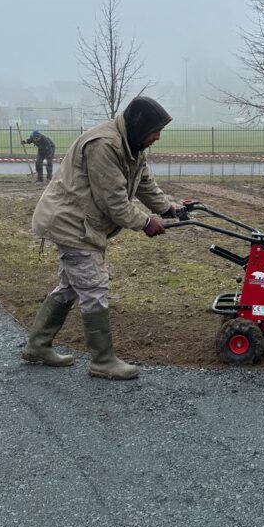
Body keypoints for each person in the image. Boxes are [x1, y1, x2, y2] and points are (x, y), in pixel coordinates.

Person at [23, 96, 183, 380]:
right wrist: (146, 223)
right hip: (71, 222)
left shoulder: (132, 144)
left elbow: (144, 182)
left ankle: (38, 345)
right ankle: (102, 360)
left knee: (70, 287)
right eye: (155, 130)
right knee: (94, 286)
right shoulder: (104, 145)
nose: (158, 137)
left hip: (82, 221)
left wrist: (167, 208)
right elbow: (114, 202)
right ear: (140, 125)